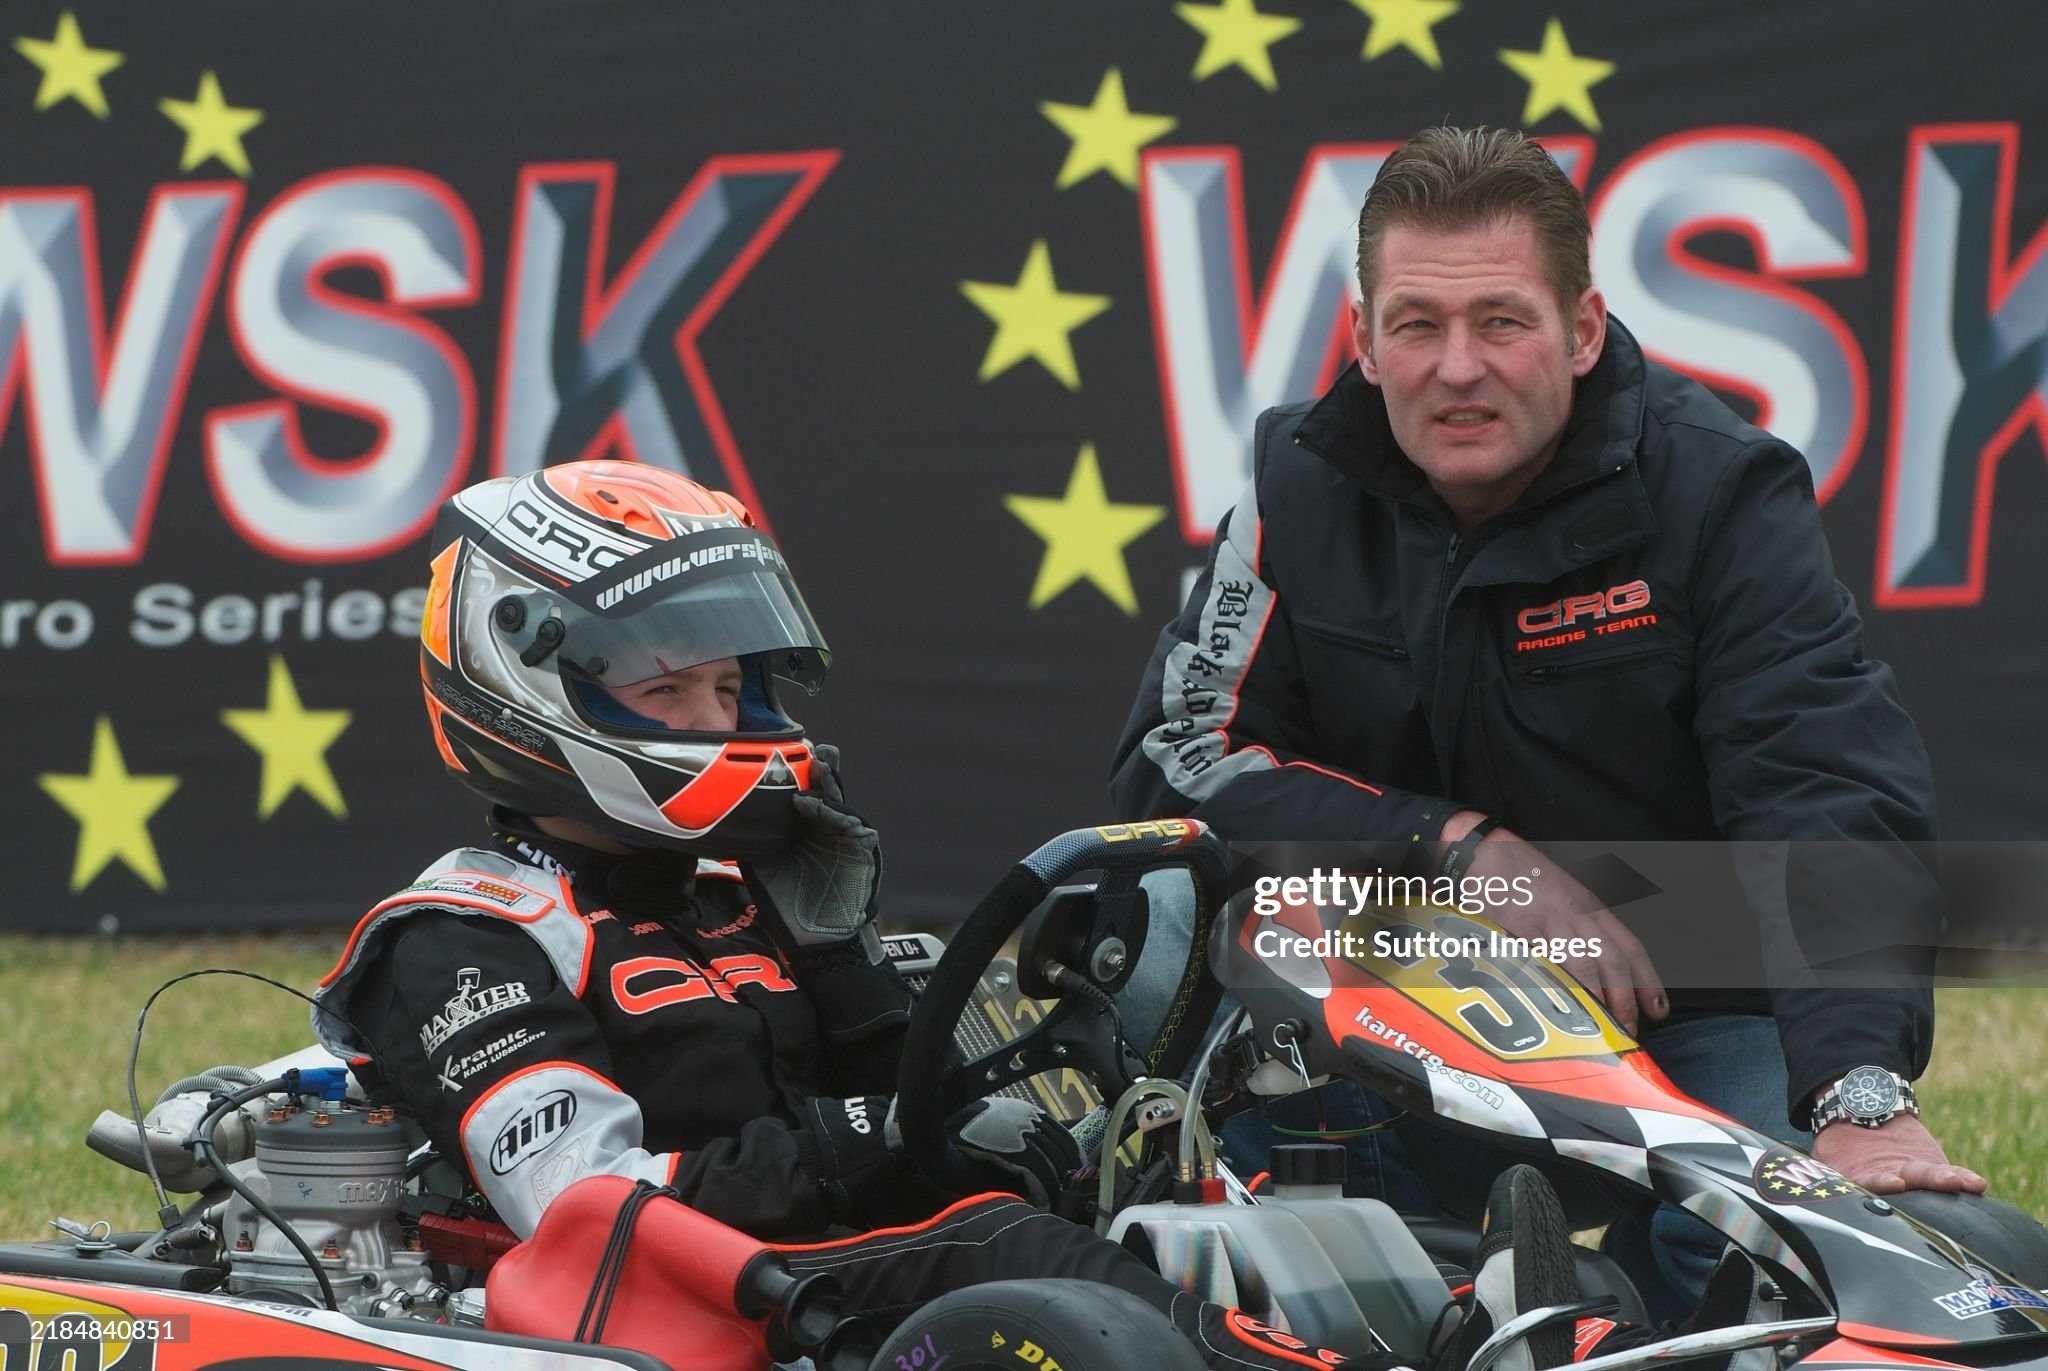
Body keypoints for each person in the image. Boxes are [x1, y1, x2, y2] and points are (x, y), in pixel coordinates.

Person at [309, 458, 1585, 1371]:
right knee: (997, 1244)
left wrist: (845, 958)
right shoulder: (461, 937)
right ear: (525, 681)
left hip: (822, 1261)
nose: (725, 724)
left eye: (732, 687)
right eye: (676, 692)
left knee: (1193, 1194)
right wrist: (873, 1133)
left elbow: (906, 1088)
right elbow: (587, 1202)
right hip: (665, 1295)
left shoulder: (736, 887)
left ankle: (1500, 1326)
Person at [1109, 126, 1985, 1320]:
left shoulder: (1717, 489)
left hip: (1687, 1012)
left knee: (1776, 1281)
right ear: (1363, 339)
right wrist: (1451, 851)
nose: (1456, 367)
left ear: (1580, 331)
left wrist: (1857, 1094)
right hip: (1393, 1004)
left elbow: (1824, 787)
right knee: (1243, 1209)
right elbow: (1173, 767)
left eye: (1501, 323)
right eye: (1415, 324)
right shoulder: (1291, 486)